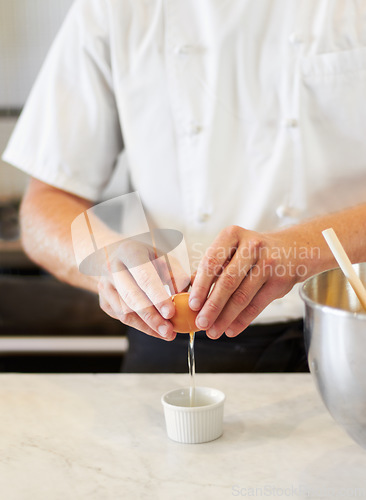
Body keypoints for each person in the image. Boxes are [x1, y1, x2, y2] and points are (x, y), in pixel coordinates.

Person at [3, 0, 366, 372]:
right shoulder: (113, 8)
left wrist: (302, 249)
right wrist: (109, 259)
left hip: (351, 330)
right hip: (168, 339)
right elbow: (43, 207)